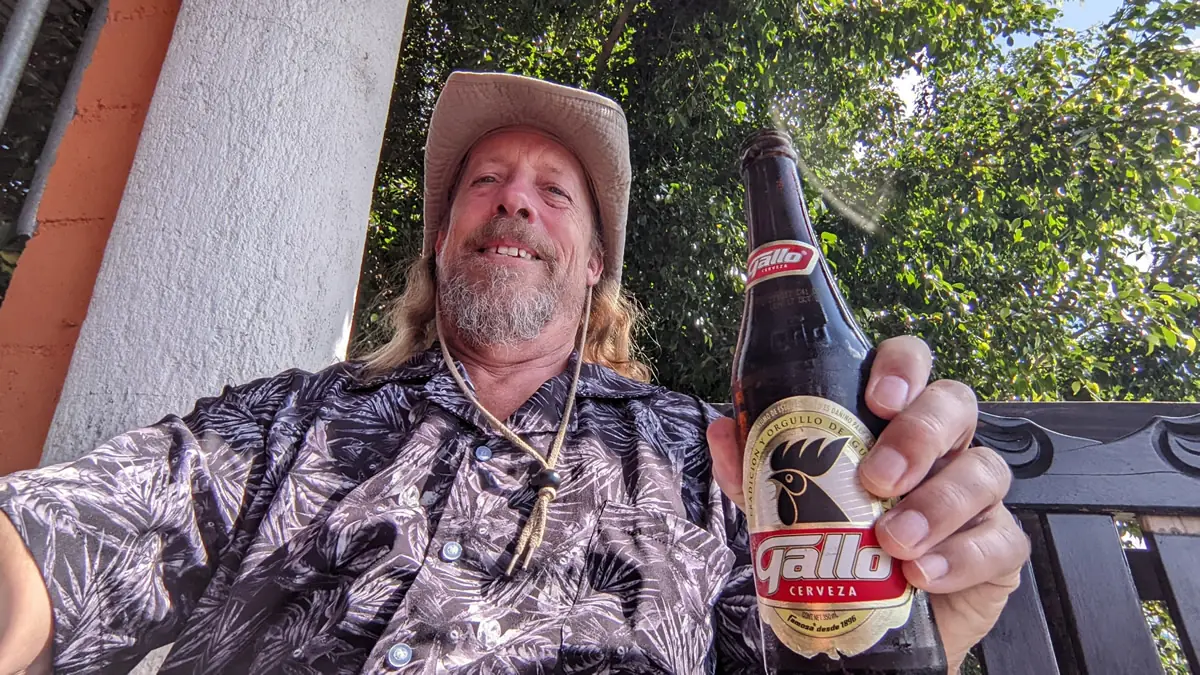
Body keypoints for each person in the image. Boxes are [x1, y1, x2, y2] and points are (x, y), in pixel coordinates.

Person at [0, 72, 1029, 675]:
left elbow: (831, 651)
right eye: (484, 183)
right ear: (443, 242)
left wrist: (926, 604)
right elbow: (68, 542)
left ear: (593, 268)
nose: (514, 202)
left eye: (553, 191)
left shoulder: (717, 462)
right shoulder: (286, 424)